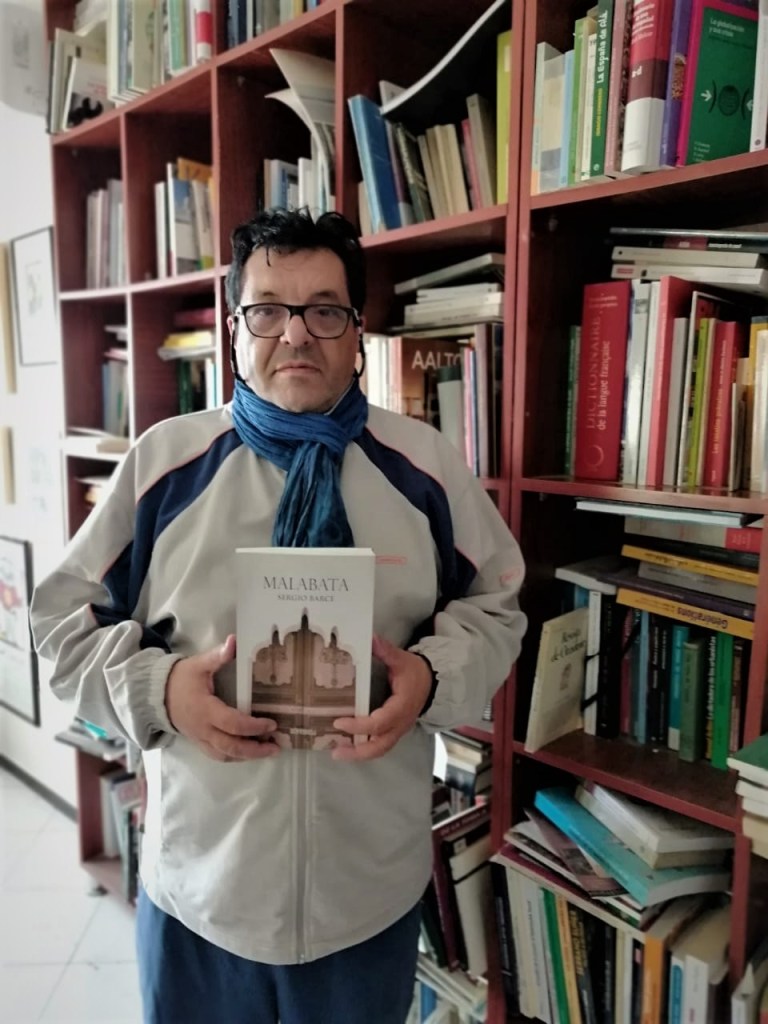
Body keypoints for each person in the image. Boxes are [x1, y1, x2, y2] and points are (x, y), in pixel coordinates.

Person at [30, 207, 527, 1024]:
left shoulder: (425, 468)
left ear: (357, 332)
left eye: (324, 310)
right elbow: (59, 625)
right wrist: (160, 693)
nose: (295, 334)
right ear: (234, 331)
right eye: (266, 310)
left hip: (365, 901)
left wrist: (431, 677)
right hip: (201, 896)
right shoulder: (165, 466)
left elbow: (496, 606)